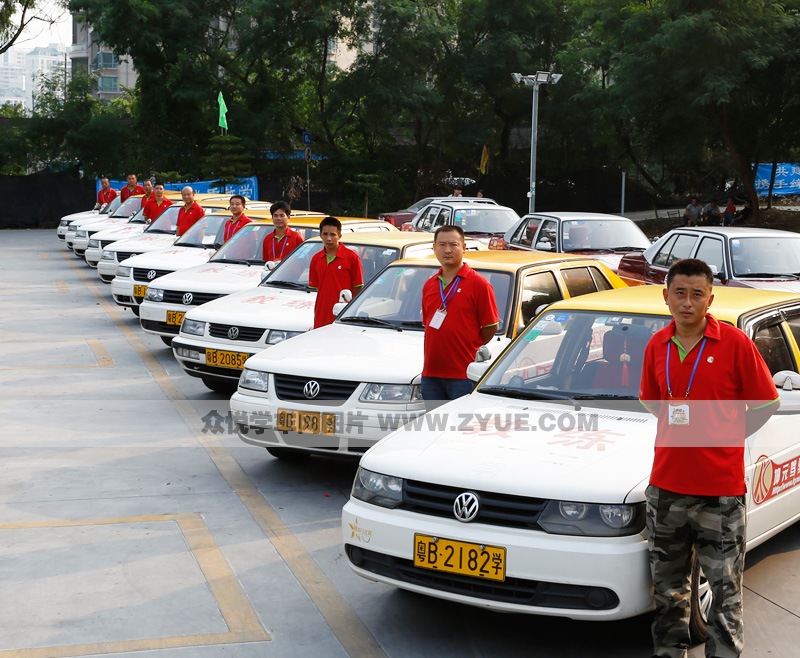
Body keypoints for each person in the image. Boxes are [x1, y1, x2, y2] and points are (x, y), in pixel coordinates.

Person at [639, 258, 779, 658]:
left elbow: (767, 402)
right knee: (667, 593)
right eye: (679, 293)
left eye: (696, 294)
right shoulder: (656, 346)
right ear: (666, 296)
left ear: (709, 299)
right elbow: (652, 401)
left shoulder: (734, 343)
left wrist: (724, 435)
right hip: (666, 490)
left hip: (720, 493)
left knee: (725, 597)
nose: (687, 302)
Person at [421, 225, 499, 408]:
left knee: (460, 429)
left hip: (463, 376)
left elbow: (491, 326)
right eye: (442, 244)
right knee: (434, 430)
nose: (447, 250)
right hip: (431, 375)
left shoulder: (479, 285)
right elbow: (428, 325)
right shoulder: (429, 285)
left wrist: (469, 344)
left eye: (453, 245)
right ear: (434, 248)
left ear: (464, 247)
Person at [308, 216, 364, 328]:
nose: (329, 238)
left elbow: (358, 288)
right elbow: (317, 287)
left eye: (333, 234)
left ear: (339, 236)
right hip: (321, 314)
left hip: (343, 314)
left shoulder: (352, 258)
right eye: (325, 234)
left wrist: (351, 310)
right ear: (320, 235)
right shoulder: (316, 259)